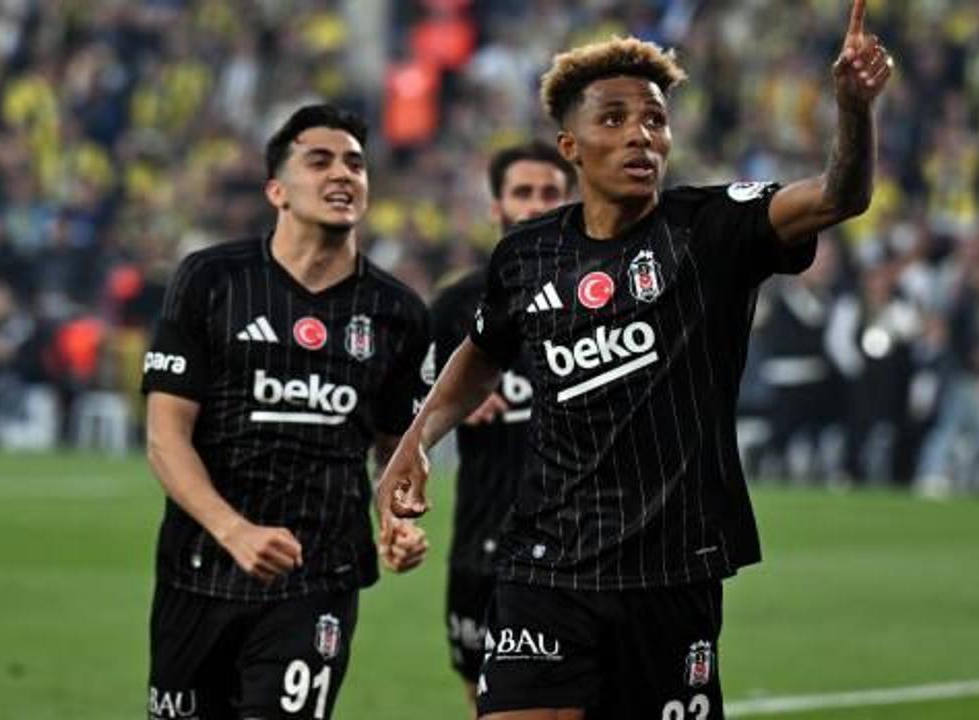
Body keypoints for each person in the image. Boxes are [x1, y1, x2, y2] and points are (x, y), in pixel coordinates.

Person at [378, 4, 892, 717]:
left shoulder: (712, 228)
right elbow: (483, 350)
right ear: (571, 145)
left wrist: (853, 110)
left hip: (670, 572)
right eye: (615, 120)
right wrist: (418, 439)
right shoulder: (527, 254)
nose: (640, 136)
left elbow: (841, 195)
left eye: (654, 119)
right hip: (546, 565)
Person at [141, 104, 430, 720]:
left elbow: (396, 450)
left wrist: (396, 517)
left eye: (355, 163)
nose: (343, 174)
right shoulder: (209, 281)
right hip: (199, 571)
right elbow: (166, 437)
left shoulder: (399, 314)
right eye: (319, 161)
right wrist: (234, 531)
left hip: (318, 580)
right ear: (277, 190)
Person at [431, 141, 575, 716]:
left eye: (549, 193)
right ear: (495, 206)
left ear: (570, 200)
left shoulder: (602, 293)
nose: (535, 205)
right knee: (484, 701)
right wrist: (451, 400)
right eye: (522, 192)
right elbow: (404, 405)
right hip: (482, 539)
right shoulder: (455, 307)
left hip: (576, 542)